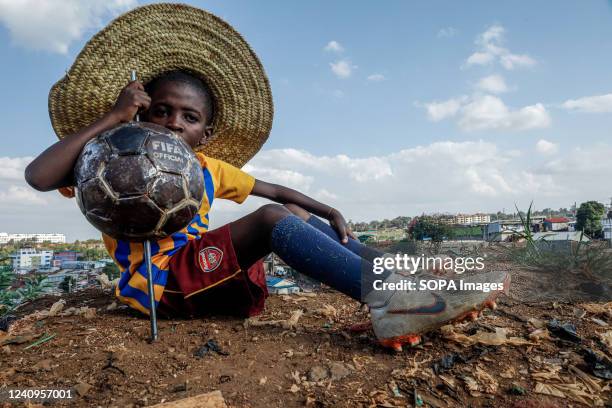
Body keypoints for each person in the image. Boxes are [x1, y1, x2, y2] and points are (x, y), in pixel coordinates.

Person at [25, 4, 508, 352]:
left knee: (289, 212)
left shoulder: (208, 169)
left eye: (188, 117)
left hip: (209, 278)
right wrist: (114, 119)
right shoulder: (107, 160)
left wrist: (326, 209)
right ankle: (392, 302)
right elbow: (37, 176)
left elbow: (275, 190)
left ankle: (404, 280)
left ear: (205, 132)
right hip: (163, 286)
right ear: (139, 114)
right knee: (271, 219)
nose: (173, 123)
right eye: (160, 111)